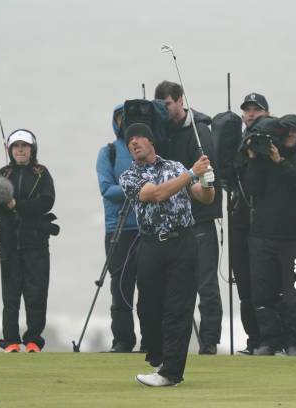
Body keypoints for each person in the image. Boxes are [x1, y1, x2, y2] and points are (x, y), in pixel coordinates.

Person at [120, 123, 215, 387]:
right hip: (151, 245)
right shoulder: (129, 176)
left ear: (151, 141)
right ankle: (160, 356)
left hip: (183, 243)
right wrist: (191, 173)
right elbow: (156, 194)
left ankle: (171, 372)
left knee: (178, 309)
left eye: (138, 138)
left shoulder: (175, 167)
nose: (133, 143)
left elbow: (204, 197)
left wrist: (207, 181)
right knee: (147, 308)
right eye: (129, 141)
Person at [154, 81, 223, 354]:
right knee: (173, 287)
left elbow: (208, 175)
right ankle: (172, 342)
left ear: (180, 100)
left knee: (205, 285)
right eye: (161, 106)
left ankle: (209, 343)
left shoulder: (200, 131)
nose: (165, 110)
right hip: (171, 219)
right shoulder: (161, 133)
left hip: (200, 217)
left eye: (168, 105)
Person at [245, 115, 296, 356]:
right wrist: (253, 159)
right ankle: (269, 341)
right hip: (262, 236)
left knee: (295, 296)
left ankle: (294, 342)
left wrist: (279, 161)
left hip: (292, 238)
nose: (291, 134)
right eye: (287, 130)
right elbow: (252, 189)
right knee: (263, 294)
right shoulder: (263, 162)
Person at [0, 129, 57, 353]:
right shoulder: (3, 173)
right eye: (16, 146)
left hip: (35, 242)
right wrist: (7, 204)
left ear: (32, 149)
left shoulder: (42, 172)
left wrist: (16, 205)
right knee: (10, 294)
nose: (20, 149)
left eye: (24, 146)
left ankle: (33, 340)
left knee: (36, 292)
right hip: (8, 242)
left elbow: (46, 202)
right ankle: (10, 341)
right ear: (10, 149)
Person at [224, 92, 270, 354]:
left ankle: (270, 339)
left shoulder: (270, 139)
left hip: (264, 223)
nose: (251, 114)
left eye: (257, 110)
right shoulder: (237, 141)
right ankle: (253, 340)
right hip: (239, 219)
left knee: (264, 285)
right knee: (244, 285)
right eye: (247, 110)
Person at [95, 104, 144, 352]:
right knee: (121, 287)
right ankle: (123, 340)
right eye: (120, 118)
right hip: (119, 228)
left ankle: (151, 340)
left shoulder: (150, 151)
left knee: (150, 287)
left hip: (147, 227)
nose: (125, 123)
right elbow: (106, 190)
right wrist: (138, 189)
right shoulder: (110, 152)